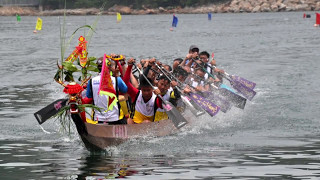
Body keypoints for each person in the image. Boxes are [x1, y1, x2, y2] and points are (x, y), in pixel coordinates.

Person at [83, 58, 128, 124]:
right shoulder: (116, 79)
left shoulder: (91, 81)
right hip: (115, 117)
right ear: (109, 67)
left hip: (98, 118)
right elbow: (125, 90)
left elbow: (89, 96)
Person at [122, 58, 163, 124]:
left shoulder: (155, 97)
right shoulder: (136, 94)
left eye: (148, 90)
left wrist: (160, 95)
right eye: (144, 90)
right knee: (129, 120)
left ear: (152, 89)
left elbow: (161, 106)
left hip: (148, 126)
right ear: (141, 89)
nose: (146, 93)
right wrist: (129, 66)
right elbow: (125, 83)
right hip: (135, 124)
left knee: (146, 122)